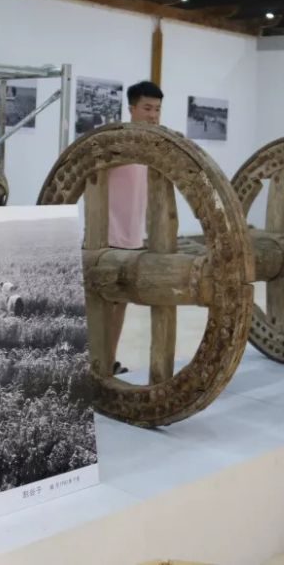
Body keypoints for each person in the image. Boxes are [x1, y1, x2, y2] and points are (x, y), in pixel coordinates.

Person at [105, 80, 163, 374]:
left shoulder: (153, 147)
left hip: (132, 238)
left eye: (157, 110)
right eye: (147, 108)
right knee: (103, 304)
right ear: (132, 108)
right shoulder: (116, 142)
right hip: (108, 237)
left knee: (120, 305)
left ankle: (108, 361)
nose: (153, 115)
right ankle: (94, 363)